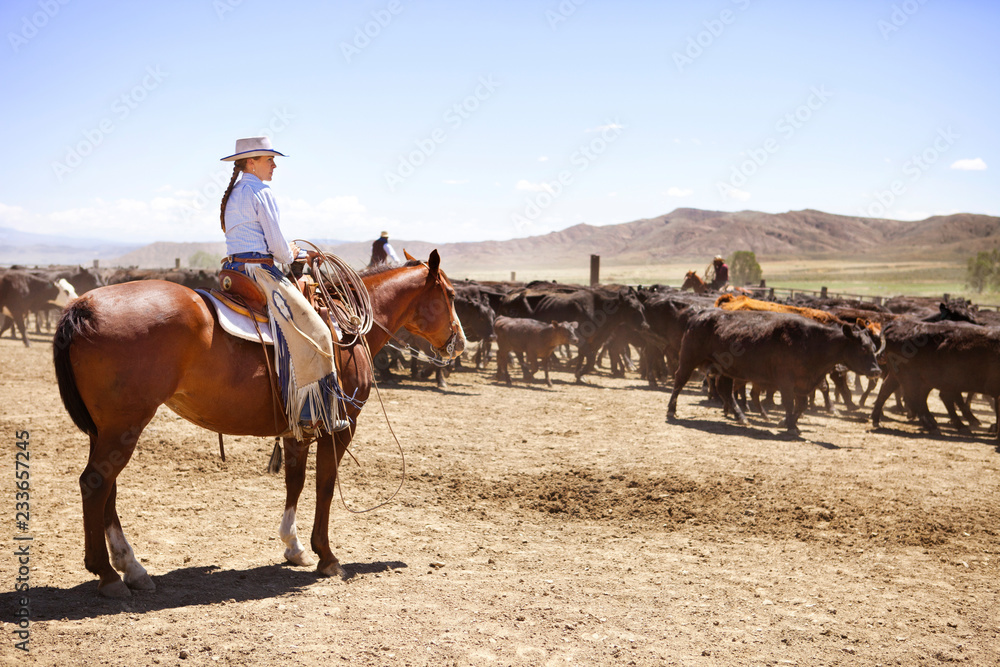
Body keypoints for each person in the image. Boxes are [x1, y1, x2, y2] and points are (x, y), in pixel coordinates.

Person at [219, 136, 349, 436]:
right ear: (251, 162)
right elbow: (279, 251)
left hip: (233, 270)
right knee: (317, 331)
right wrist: (295, 252)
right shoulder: (261, 191)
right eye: (269, 160)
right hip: (259, 273)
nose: (274, 165)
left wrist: (286, 250)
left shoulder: (236, 193)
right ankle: (313, 412)